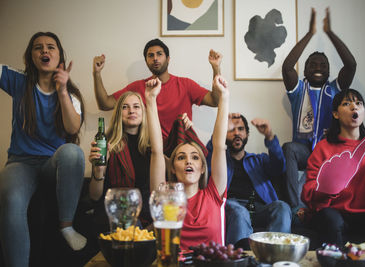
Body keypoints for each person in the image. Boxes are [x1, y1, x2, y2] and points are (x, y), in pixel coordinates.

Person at [0, 32, 86, 267]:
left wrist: (61, 89)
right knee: (10, 198)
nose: (44, 51)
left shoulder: (71, 94)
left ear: (59, 56)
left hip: (53, 164)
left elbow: (72, 127)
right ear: (31, 57)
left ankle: (66, 226)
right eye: (38, 48)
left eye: (50, 47)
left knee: (72, 151)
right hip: (21, 163)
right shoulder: (18, 81)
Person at [301, 89, 365, 246]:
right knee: (330, 219)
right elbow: (308, 195)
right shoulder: (323, 147)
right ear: (336, 114)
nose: (354, 107)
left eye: (358, 103)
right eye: (347, 104)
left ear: (363, 112)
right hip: (335, 214)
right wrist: (328, 188)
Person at [281, 8, 357, 213]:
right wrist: (310, 34)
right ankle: (294, 207)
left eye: (323, 65)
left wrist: (330, 33)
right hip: (304, 151)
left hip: (328, 151)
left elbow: (350, 65)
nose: (318, 67)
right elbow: (287, 66)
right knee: (288, 148)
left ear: (329, 71)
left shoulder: (333, 90)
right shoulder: (298, 90)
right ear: (304, 70)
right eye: (312, 64)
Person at [146, 74, 229, 250]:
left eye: (195, 157)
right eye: (181, 157)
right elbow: (156, 151)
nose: (188, 161)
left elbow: (219, 146)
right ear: (173, 169)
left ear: (202, 168)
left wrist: (224, 98)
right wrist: (151, 99)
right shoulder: (164, 198)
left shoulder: (214, 195)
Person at [93, 39, 222, 140]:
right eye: (150, 55)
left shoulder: (185, 84)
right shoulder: (137, 87)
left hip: (180, 147)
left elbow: (215, 101)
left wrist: (216, 68)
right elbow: (105, 104)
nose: (155, 58)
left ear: (168, 59)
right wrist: (96, 74)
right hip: (148, 149)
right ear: (146, 61)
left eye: (159, 54)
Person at [206, 114, 291, 248]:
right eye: (231, 129)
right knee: (240, 212)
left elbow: (279, 167)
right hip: (231, 207)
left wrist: (269, 136)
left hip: (259, 208)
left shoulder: (259, 160)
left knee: (282, 207)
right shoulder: (218, 161)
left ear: (247, 134)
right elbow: (209, 155)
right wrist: (219, 130)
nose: (236, 133)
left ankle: (275, 256)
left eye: (240, 129)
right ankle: (239, 259)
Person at [88, 91, 153, 235]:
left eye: (136, 106)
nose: (131, 111)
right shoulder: (107, 144)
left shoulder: (152, 147)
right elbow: (94, 196)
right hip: (116, 216)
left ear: (143, 112)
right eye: (125, 107)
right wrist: (98, 171)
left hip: (147, 218)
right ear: (118, 113)